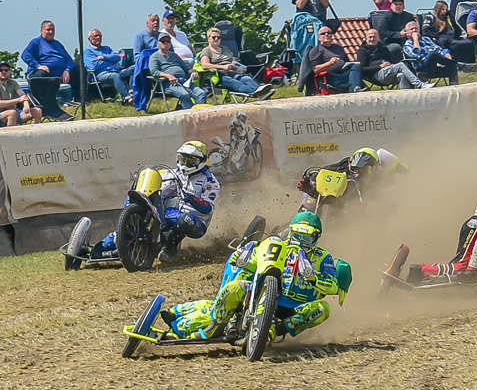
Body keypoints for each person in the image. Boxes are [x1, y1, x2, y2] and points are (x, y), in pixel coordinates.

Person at [161, 211, 345, 342]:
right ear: (290, 232)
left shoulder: (323, 257)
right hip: (263, 297)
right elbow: (252, 264)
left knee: (323, 308)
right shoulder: (278, 246)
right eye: (297, 235)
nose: (301, 242)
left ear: (316, 237)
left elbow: (333, 286)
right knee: (232, 290)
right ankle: (204, 325)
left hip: (294, 308)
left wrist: (313, 277)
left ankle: (274, 330)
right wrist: (244, 257)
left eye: (307, 238)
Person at [90, 141, 220, 262]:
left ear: (201, 161)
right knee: (149, 208)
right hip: (176, 213)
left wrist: (192, 198)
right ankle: (114, 241)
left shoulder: (210, 181)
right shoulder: (177, 174)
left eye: (190, 161)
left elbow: (208, 208)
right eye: (182, 159)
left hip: (197, 222)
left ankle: (170, 248)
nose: (185, 164)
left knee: (185, 219)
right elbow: (160, 191)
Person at [297, 147, 407, 211]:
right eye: (355, 168)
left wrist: (385, 207)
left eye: (365, 169)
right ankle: (288, 230)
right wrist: (310, 185)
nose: (359, 173)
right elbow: (322, 172)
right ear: (350, 161)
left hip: (352, 210)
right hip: (330, 202)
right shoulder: (343, 166)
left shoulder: (377, 179)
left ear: (375, 166)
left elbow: (376, 200)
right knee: (308, 205)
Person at [199, 27, 275, 100]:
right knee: (236, 83)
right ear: (208, 38)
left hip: (233, 72)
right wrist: (223, 67)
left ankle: (260, 90)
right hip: (220, 75)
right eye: (213, 37)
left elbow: (232, 60)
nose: (216, 39)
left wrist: (239, 67)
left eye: (218, 37)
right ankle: (257, 93)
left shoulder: (225, 48)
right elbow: (205, 65)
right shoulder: (206, 51)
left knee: (247, 79)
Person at [356, 29, 434, 89]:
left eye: (374, 36)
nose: (372, 39)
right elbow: (361, 69)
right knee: (400, 65)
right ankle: (420, 85)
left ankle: (406, 95)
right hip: (375, 75)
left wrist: (391, 64)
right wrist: (380, 66)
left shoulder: (383, 48)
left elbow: (391, 61)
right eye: (370, 37)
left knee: (400, 75)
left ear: (378, 38)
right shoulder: (362, 51)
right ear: (366, 38)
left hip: (388, 72)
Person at [149, 31, 207, 109]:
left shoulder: (174, 55)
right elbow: (154, 72)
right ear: (158, 43)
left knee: (201, 93)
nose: (166, 43)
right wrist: (168, 76)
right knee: (184, 95)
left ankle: (199, 115)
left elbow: (186, 68)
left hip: (184, 81)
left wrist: (193, 72)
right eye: (163, 41)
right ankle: (189, 114)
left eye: (168, 41)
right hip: (169, 83)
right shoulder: (154, 57)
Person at [308, 26, 365, 93]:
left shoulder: (338, 47)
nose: (326, 34)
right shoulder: (316, 50)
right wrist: (330, 63)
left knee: (354, 67)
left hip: (343, 73)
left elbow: (347, 61)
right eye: (323, 33)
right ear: (319, 38)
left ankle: (356, 88)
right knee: (352, 79)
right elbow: (316, 70)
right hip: (331, 77)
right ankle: (354, 90)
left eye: (329, 33)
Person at [83, 29, 133, 104]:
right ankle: (127, 98)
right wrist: (111, 62)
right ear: (89, 39)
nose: (98, 37)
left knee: (134, 68)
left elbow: (117, 57)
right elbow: (93, 65)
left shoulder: (107, 48)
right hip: (101, 75)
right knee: (115, 76)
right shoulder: (88, 51)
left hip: (117, 71)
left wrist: (104, 58)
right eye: (95, 36)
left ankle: (132, 92)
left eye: (99, 35)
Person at [403, 21, 459, 85]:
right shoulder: (407, 45)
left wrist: (446, 54)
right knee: (433, 55)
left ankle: (454, 86)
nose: (414, 30)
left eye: (416, 29)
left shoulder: (426, 39)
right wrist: (416, 40)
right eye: (411, 29)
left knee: (452, 66)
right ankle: (459, 65)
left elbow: (439, 50)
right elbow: (417, 55)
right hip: (422, 69)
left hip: (435, 66)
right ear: (407, 33)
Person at [0, 60, 41, 126]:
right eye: (1, 70)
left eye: (6, 70)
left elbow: (23, 95)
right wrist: (18, 100)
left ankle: (31, 135)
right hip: (2, 114)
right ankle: (11, 135)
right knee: (12, 113)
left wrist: (26, 104)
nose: (3, 72)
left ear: (10, 72)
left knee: (37, 111)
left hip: (15, 112)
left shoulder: (13, 83)